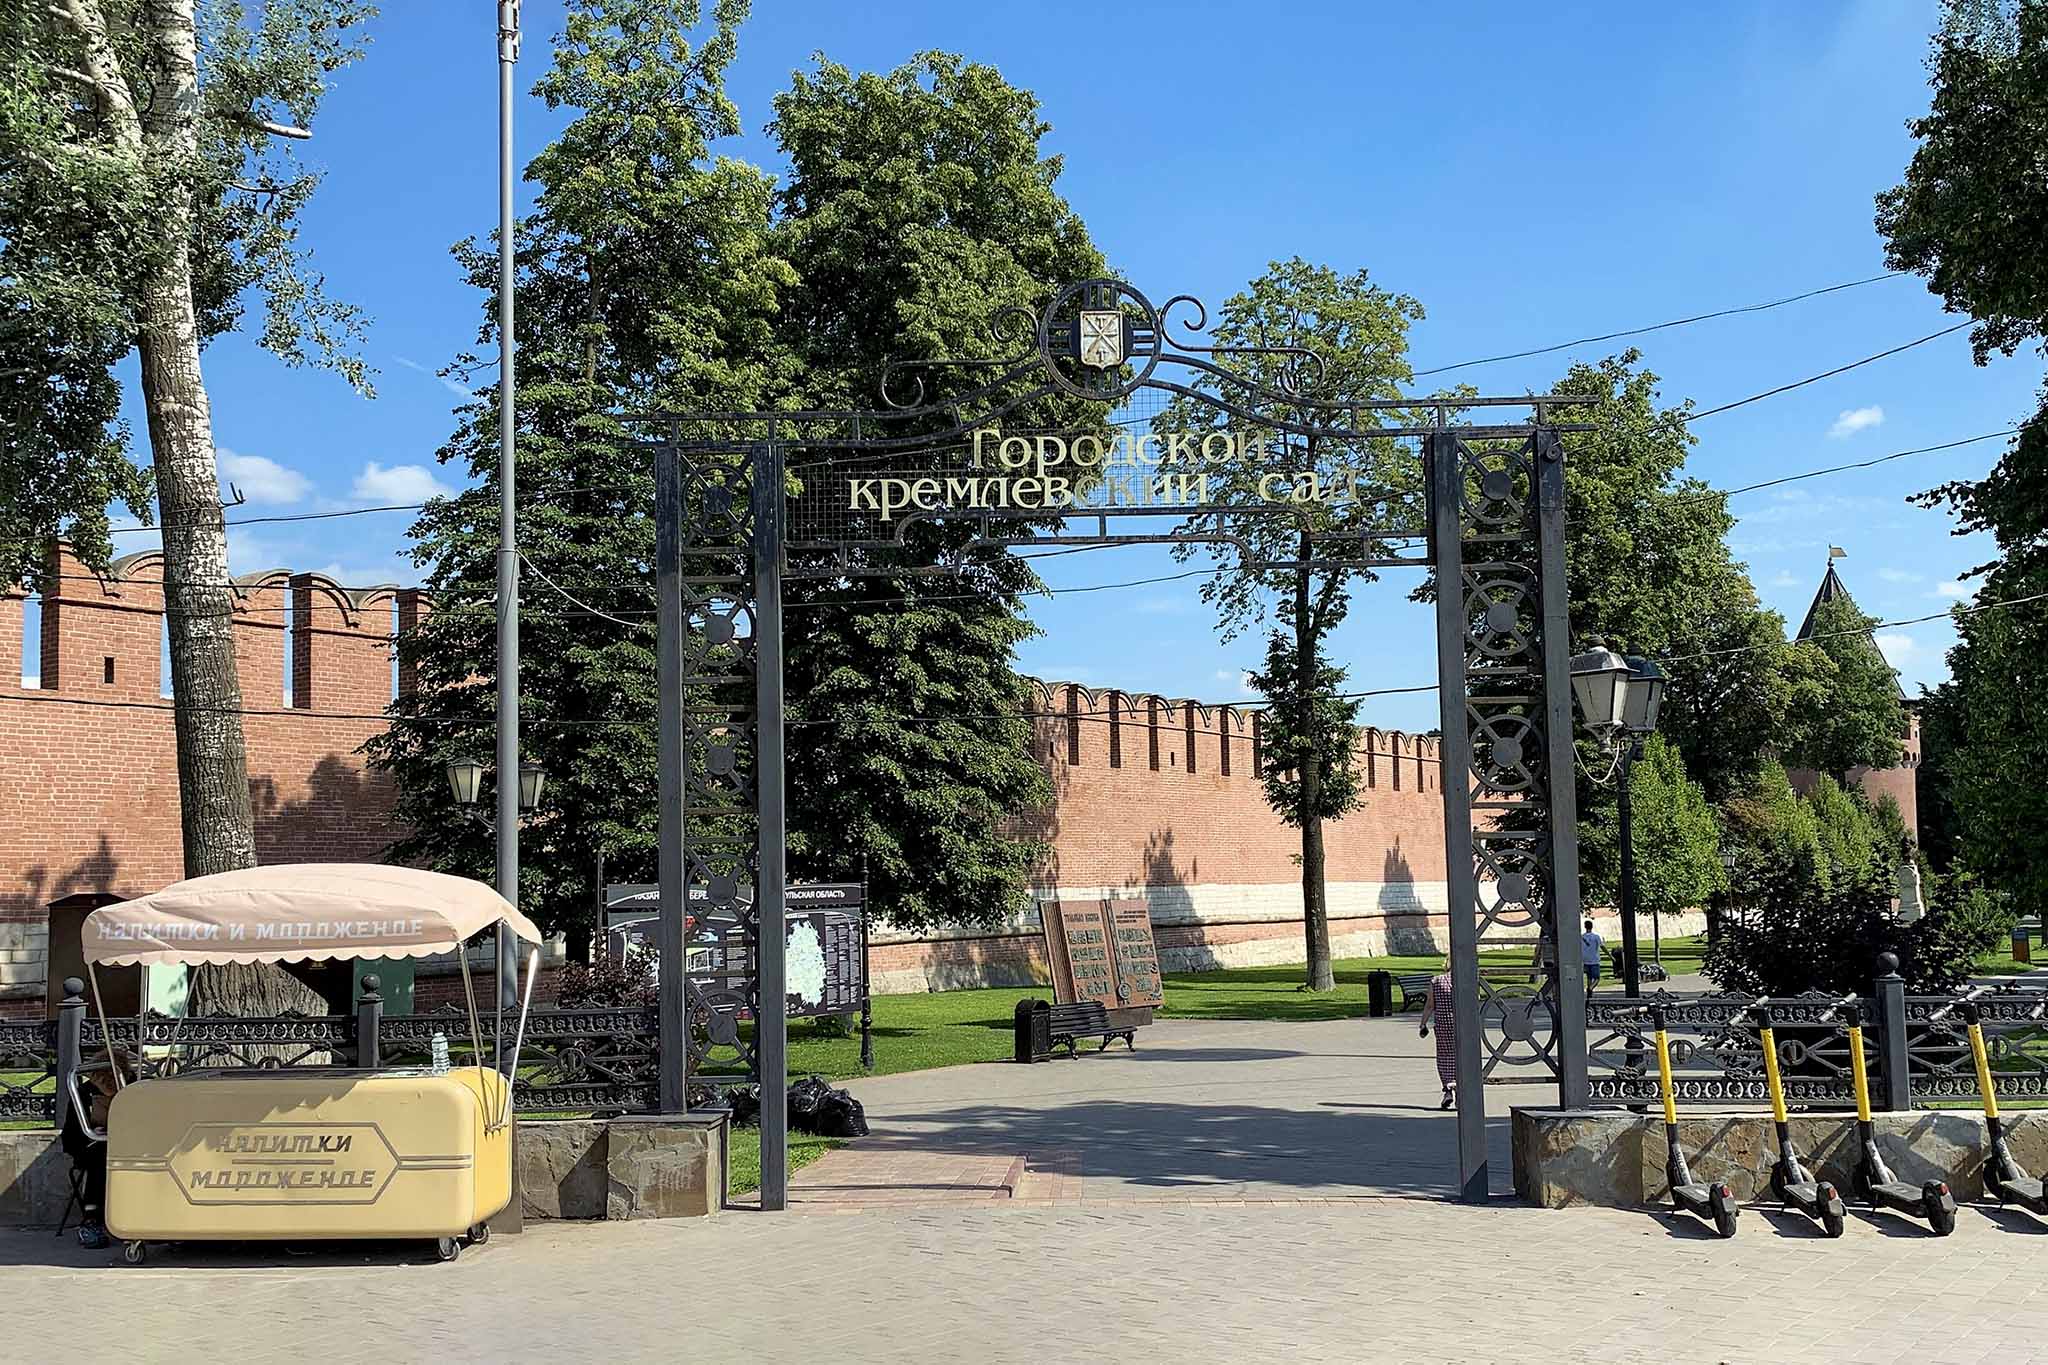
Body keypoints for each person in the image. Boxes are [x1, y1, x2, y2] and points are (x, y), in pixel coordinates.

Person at [60, 1051, 130, 1249]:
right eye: (102, 1079)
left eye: (112, 1078)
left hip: (129, 1146)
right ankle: (92, 1219)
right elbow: (70, 1135)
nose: (108, 1084)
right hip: (93, 1147)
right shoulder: (84, 1092)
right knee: (101, 1156)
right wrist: (91, 1132)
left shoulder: (133, 1088)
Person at [1419, 969, 1457, 1110]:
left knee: (1444, 1056)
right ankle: (1461, 1091)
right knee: (1462, 1057)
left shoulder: (1436, 981)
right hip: (1462, 1023)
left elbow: (1430, 1005)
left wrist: (1423, 1024)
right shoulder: (1465, 979)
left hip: (1443, 1024)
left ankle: (1448, 1091)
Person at [1581, 918, 1604, 994]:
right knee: (1597, 978)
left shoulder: (1582, 937)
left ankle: (1589, 992)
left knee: (1589, 977)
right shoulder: (1596, 937)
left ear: (1585, 927)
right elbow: (1602, 946)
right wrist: (1610, 956)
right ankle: (1590, 988)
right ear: (1592, 926)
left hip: (1585, 960)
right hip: (1594, 960)